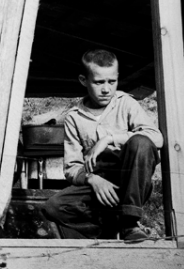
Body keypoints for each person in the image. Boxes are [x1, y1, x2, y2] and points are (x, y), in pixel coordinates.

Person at [43, 49, 163, 241]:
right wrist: (92, 179)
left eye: (112, 82)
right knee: (54, 206)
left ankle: (130, 223)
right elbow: (71, 168)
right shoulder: (74, 117)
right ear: (83, 80)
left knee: (140, 141)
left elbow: (156, 138)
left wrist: (109, 139)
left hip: (131, 179)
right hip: (99, 185)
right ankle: (109, 228)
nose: (106, 89)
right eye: (99, 82)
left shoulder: (126, 104)